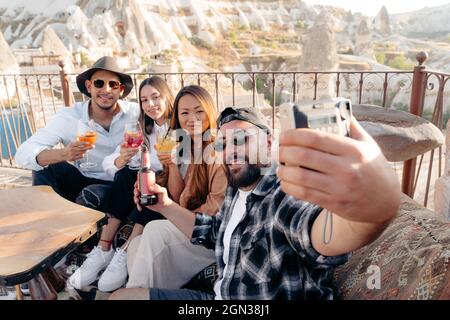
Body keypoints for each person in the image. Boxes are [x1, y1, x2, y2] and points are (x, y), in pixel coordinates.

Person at [109, 106, 401, 300]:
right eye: (223, 144)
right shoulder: (239, 188)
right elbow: (213, 232)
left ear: (269, 142)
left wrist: (376, 203)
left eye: (242, 139)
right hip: (220, 296)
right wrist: (164, 205)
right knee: (121, 297)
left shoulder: (285, 194)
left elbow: (326, 233)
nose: (231, 151)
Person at [69, 85, 228, 292]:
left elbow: (212, 214)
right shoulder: (184, 143)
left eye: (199, 111)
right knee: (137, 243)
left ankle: (132, 294)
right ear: (177, 117)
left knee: (154, 230)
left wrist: (173, 212)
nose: (192, 118)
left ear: (210, 111)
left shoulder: (218, 153)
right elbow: (179, 195)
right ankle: (142, 288)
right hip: (186, 224)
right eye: (185, 113)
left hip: (209, 236)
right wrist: (170, 166)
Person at [15, 56, 138, 203]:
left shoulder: (136, 113)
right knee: (45, 166)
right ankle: (44, 217)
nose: (106, 89)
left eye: (113, 84)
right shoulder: (69, 116)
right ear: (88, 86)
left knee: (95, 193)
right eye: (99, 83)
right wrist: (63, 153)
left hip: (124, 184)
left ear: (121, 90)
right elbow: (23, 154)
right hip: (83, 180)